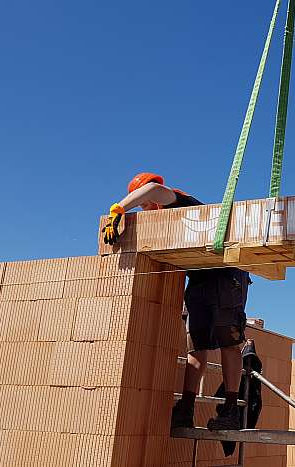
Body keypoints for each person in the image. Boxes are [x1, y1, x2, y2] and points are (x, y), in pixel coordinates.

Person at [102, 172, 251, 430]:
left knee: (229, 341)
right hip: (199, 280)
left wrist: (119, 210)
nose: (145, 211)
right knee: (197, 346)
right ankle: (186, 408)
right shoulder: (165, 226)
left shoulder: (179, 201)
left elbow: (153, 190)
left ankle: (230, 410)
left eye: (145, 206)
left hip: (226, 274)